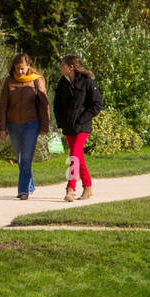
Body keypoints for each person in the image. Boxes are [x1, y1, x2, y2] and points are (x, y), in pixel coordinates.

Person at [0, 53, 49, 200]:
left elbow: (44, 105)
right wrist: (2, 128)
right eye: (17, 68)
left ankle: (23, 190)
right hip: (13, 125)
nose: (20, 71)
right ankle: (30, 185)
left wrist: (45, 126)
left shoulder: (36, 80)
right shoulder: (9, 81)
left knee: (26, 157)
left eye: (23, 68)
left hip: (31, 124)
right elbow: (3, 106)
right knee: (20, 159)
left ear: (29, 66)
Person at [53, 54, 104, 201]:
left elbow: (97, 104)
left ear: (71, 67)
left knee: (74, 156)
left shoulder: (88, 82)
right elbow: (57, 105)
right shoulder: (62, 83)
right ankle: (88, 187)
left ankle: (71, 188)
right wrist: (61, 122)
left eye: (63, 64)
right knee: (78, 156)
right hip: (68, 126)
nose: (60, 67)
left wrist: (82, 119)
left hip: (83, 125)